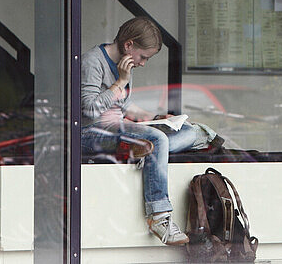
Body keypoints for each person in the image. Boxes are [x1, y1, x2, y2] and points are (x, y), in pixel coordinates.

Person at [81, 16, 216, 245]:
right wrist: (120, 82)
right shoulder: (93, 62)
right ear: (129, 45)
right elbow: (89, 110)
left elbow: (123, 107)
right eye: (143, 57)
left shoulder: (125, 64)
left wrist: (155, 118)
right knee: (157, 140)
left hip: (120, 129)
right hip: (91, 133)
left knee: (190, 131)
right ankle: (159, 216)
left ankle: (145, 150)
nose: (143, 63)